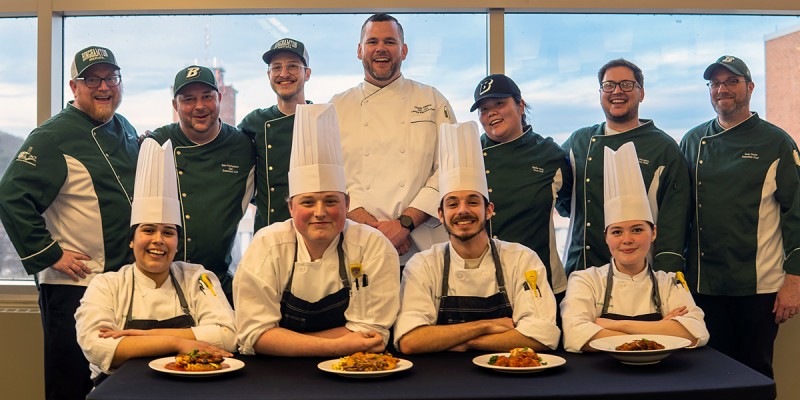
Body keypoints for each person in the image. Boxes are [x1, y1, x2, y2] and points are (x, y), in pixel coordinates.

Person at [0, 46, 138, 400]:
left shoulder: (124, 127)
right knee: (71, 383)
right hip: (74, 284)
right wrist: (50, 254)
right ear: (74, 87)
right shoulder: (51, 137)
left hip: (120, 283)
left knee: (116, 385)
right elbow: (10, 196)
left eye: (111, 78)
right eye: (92, 79)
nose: (104, 86)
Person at [234, 103, 400, 357]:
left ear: (347, 204)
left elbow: (372, 333)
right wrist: (338, 345)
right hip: (279, 377)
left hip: (352, 373)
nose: (320, 212)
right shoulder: (267, 246)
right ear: (291, 208)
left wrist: (286, 340)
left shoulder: (373, 247)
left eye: (331, 201)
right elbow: (254, 334)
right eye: (308, 202)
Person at [75, 138, 236, 384]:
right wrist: (176, 342)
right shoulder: (106, 285)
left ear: (177, 242)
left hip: (193, 386)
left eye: (168, 232)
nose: (158, 240)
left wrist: (138, 337)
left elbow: (229, 335)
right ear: (131, 240)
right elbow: (96, 347)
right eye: (148, 230)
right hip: (123, 390)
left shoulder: (199, 278)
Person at [680, 55, 800, 378]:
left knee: (754, 375)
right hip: (704, 285)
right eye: (715, 83)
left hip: (758, 288)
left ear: (749, 87)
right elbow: (678, 213)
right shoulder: (692, 141)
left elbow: (796, 216)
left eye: (731, 82)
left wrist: (795, 280)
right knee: (709, 374)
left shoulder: (776, 142)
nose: (723, 89)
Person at [394, 121, 560, 354]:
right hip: (444, 382)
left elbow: (542, 335)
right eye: (453, 204)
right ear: (441, 214)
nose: (463, 210)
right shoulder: (423, 265)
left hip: (509, 377)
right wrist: (487, 326)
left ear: (489, 210)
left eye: (473, 201)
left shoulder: (521, 259)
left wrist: (463, 342)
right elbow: (410, 340)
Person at [330, 13, 456, 263]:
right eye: (372, 42)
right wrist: (374, 230)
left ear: (404, 50)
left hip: (423, 245)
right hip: (360, 242)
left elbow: (450, 167)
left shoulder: (431, 99)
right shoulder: (336, 107)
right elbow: (330, 176)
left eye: (389, 42)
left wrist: (404, 224)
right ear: (359, 50)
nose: (381, 49)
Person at [560, 142, 709, 353]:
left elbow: (696, 333)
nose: (627, 239)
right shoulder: (585, 280)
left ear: (654, 233)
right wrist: (662, 330)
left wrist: (612, 325)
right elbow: (576, 336)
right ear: (606, 237)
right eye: (617, 232)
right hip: (603, 375)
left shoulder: (669, 282)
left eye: (637, 230)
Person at [561, 58, 690, 277]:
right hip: (581, 272)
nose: (617, 91)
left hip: (640, 276)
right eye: (609, 85)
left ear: (641, 93)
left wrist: (666, 280)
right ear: (600, 93)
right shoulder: (579, 142)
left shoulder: (664, 148)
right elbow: (562, 200)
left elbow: (673, 225)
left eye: (627, 84)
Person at [148, 65, 255, 302]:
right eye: (188, 99)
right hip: (162, 281)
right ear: (175, 106)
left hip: (218, 280)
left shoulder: (242, 146)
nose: (199, 106)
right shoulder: (157, 142)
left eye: (207, 97)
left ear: (220, 97)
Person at [472, 73, 572, 307]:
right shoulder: (471, 152)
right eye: (484, 109)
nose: (491, 113)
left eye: (499, 104)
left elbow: (569, 206)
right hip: (483, 284)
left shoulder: (550, 155)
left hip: (541, 281)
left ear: (520, 105)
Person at [239, 38, 312, 231]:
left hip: (313, 228)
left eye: (293, 66)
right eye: (276, 67)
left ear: (308, 73)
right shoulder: (254, 122)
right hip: (267, 229)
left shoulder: (319, 118)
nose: (284, 74)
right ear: (268, 74)